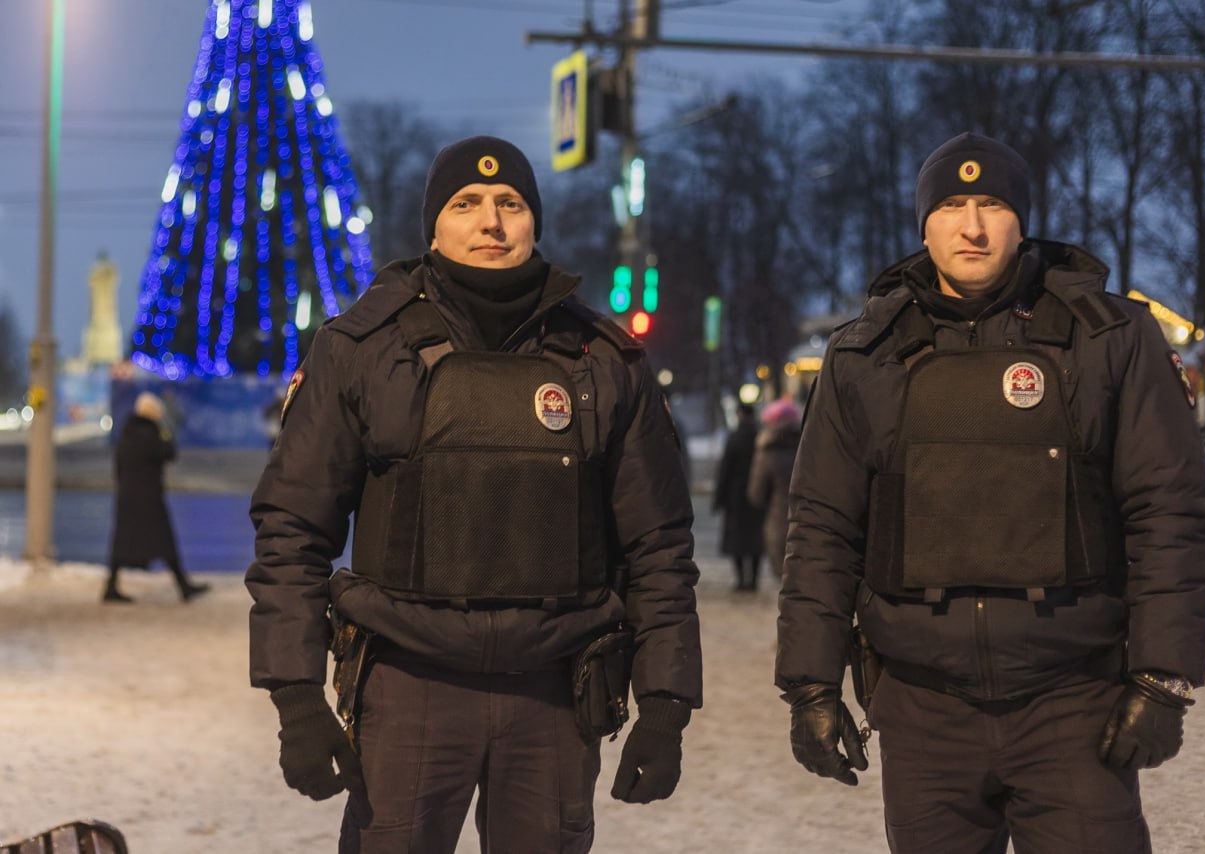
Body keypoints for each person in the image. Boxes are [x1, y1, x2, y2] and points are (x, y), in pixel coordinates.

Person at [246, 135, 702, 853]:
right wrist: (294, 696)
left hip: (555, 693)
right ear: (435, 224)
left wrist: (666, 704)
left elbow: (659, 545)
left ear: (532, 222)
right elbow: (291, 529)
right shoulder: (362, 348)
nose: (491, 220)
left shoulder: (604, 359)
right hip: (406, 685)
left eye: (510, 203)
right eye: (467, 203)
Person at [776, 132, 1205, 853]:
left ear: (1023, 220)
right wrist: (810, 687)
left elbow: (1169, 512)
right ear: (924, 224)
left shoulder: (1107, 339)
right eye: (951, 205)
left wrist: (1163, 679)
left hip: (1073, 703)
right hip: (922, 711)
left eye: (992, 205)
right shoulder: (864, 354)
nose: (973, 226)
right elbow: (823, 530)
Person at [104, 392, 209, 603]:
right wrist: (168, 430)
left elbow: (119, 467)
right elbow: (169, 452)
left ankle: (111, 586)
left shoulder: (127, 432)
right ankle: (183, 586)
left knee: (123, 542)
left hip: (127, 497)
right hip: (148, 497)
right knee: (164, 540)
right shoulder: (149, 433)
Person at [746, 398, 802, 582]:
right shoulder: (809, 447)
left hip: (778, 524)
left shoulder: (767, 451)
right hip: (812, 524)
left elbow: (756, 495)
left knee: (785, 582)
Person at [713, 402, 764, 591]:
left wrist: (719, 499)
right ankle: (754, 580)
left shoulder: (734, 438)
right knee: (755, 540)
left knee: (737, 541)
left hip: (736, 496)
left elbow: (725, 470)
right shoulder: (760, 437)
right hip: (758, 496)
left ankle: (742, 579)